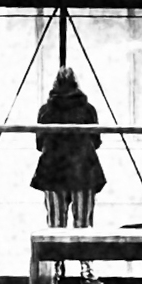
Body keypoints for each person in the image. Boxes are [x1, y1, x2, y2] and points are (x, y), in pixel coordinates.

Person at [31, 63, 107, 231]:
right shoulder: (88, 110)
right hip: (83, 168)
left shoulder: (46, 111)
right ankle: (85, 257)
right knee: (83, 226)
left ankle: (56, 257)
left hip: (53, 169)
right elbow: (96, 140)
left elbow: (39, 143)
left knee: (55, 225)